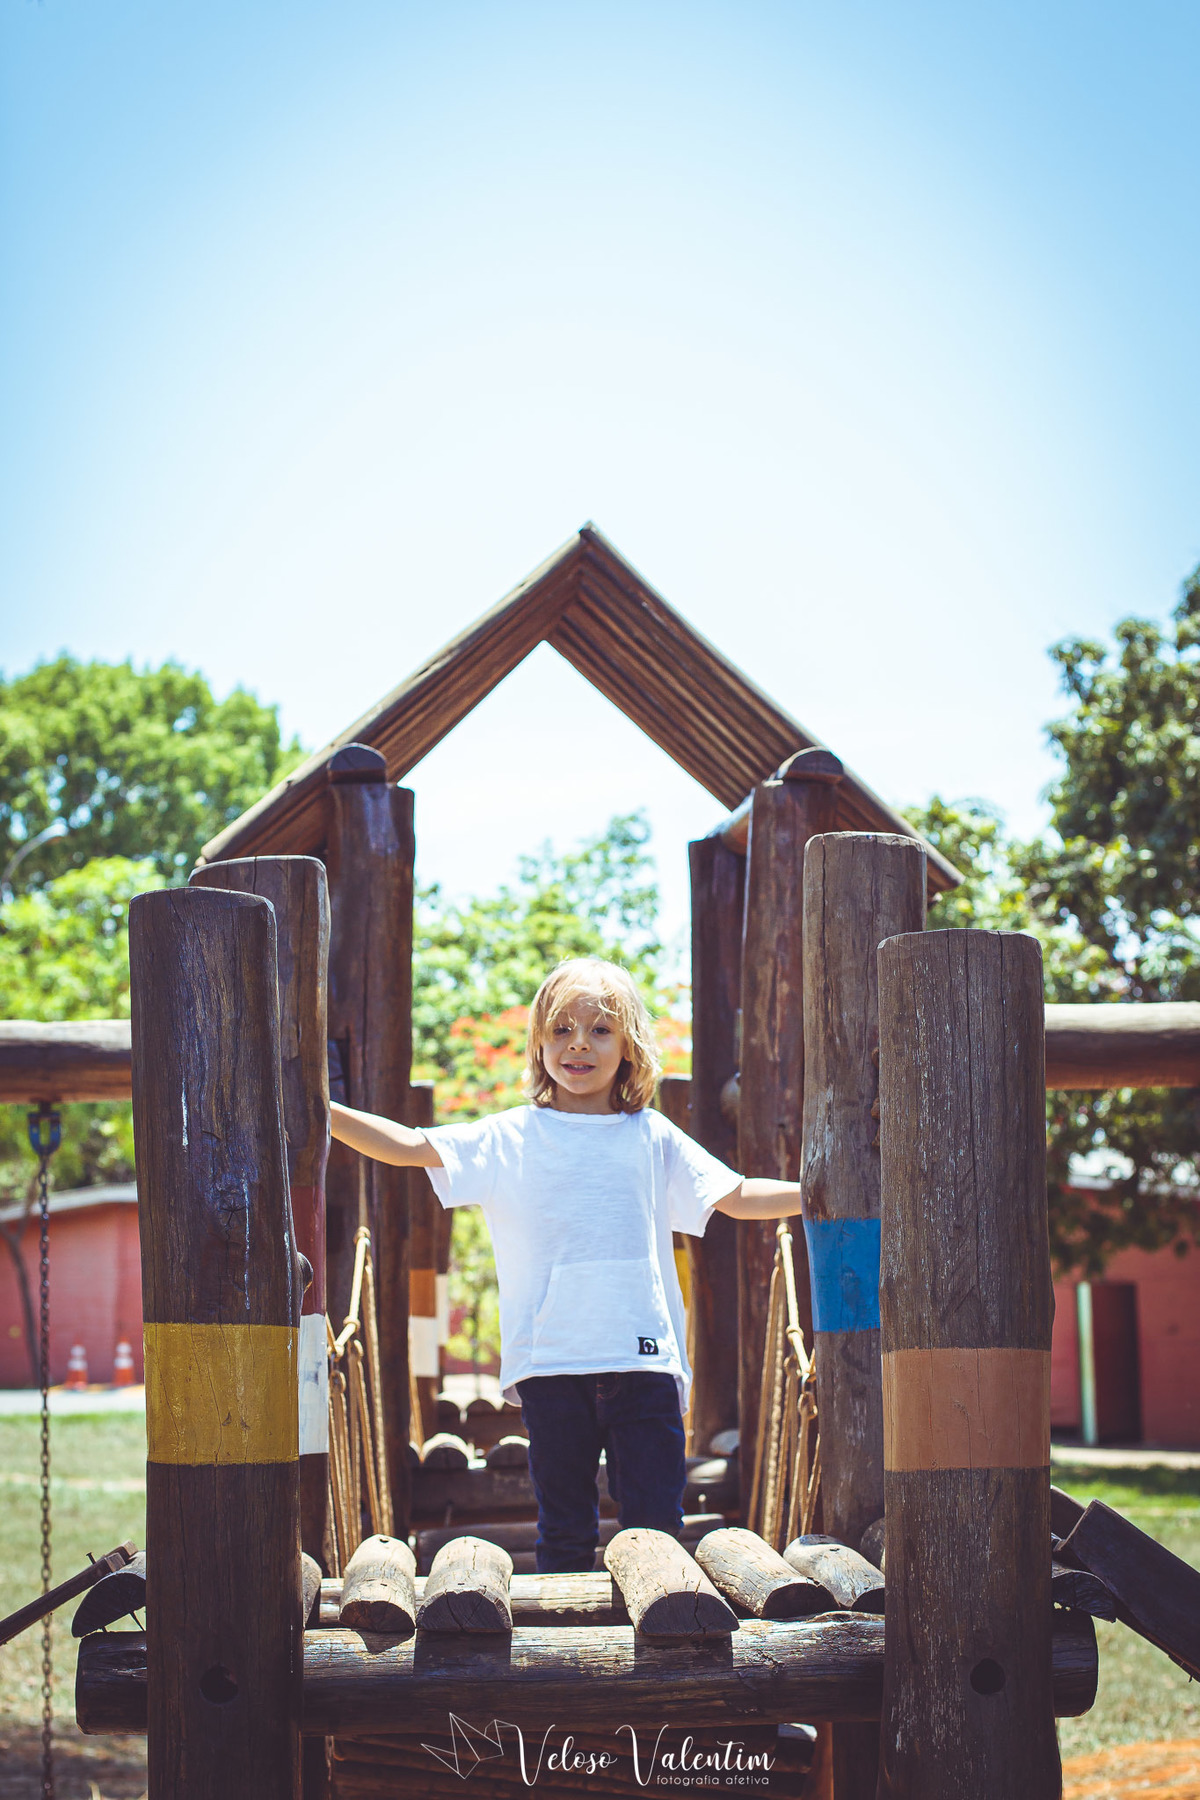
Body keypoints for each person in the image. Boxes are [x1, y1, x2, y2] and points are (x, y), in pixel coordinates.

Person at [330, 955, 803, 1573]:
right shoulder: (510, 1137)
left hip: (644, 1363)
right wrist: (325, 1111)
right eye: (561, 1030)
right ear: (539, 1043)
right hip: (552, 1365)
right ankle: (566, 1656)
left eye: (600, 1030)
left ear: (629, 1046)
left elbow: (736, 1194)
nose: (578, 1044)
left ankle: (661, 1659)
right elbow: (409, 1146)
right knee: (565, 1530)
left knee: (657, 1528)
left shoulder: (651, 1136)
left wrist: (816, 1193)